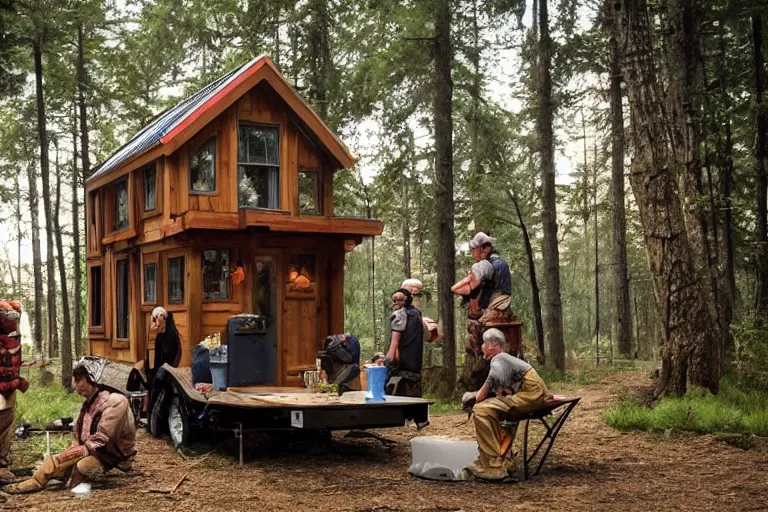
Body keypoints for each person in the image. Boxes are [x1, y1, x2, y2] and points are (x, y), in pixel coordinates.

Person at [6, 358, 137, 493]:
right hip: (90, 449)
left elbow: (101, 440)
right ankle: (48, 478)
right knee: (62, 468)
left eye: (79, 379)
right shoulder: (90, 402)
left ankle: (43, 479)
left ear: (91, 378)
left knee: (83, 467)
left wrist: (61, 459)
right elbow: (78, 436)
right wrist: (68, 454)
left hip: (111, 453)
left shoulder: (116, 401)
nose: (75, 385)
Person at [464, 329, 552, 481]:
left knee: (480, 410)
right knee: (491, 409)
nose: (482, 347)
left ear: (494, 345)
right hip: (533, 392)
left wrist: (475, 396)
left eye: (484, 343)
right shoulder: (504, 359)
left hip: (531, 394)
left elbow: (494, 379)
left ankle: (493, 466)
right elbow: (504, 388)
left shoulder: (499, 358)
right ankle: (503, 458)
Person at [384, 288, 424, 397]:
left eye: (397, 299)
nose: (394, 302)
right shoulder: (417, 314)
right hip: (415, 369)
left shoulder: (399, 315)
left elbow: (394, 345)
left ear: (405, 299)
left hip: (402, 371)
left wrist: (387, 362)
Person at [149, 307, 181, 380]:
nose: (156, 325)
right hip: (159, 369)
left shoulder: (171, 336)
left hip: (167, 371)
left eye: (158, 325)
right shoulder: (159, 337)